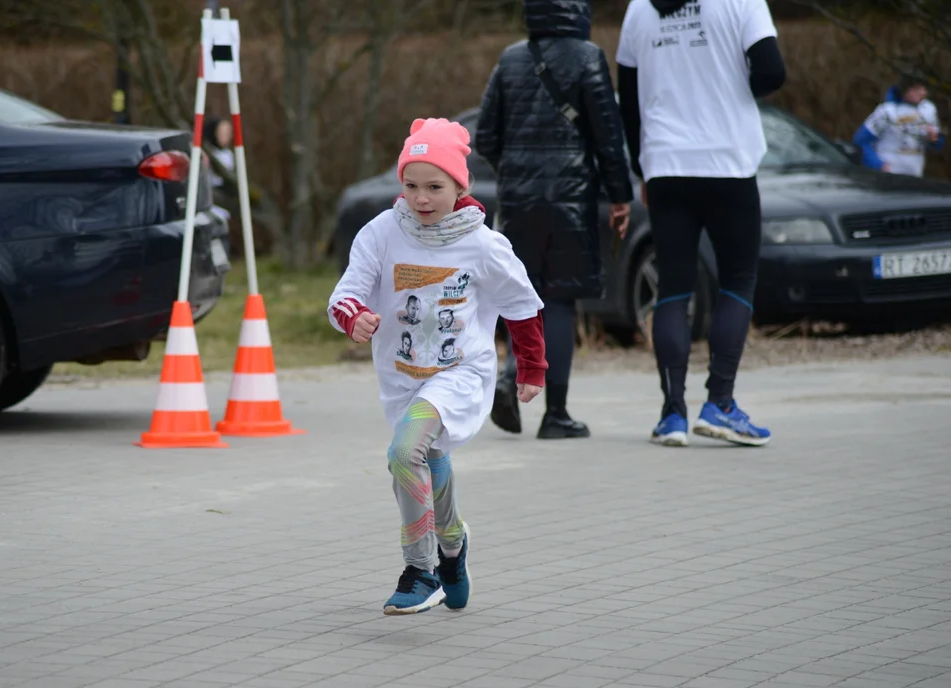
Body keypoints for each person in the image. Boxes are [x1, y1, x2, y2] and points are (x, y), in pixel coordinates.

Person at [328, 118, 548, 615]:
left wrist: (531, 369)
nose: (421, 199)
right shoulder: (382, 232)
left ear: (459, 186)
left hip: (460, 373)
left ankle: (420, 570)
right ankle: (453, 547)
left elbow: (522, 305)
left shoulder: (484, 244)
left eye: (435, 187)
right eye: (411, 186)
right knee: (429, 456)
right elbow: (345, 294)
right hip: (402, 374)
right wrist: (354, 317)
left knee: (405, 452)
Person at [616, 0, 786, 447]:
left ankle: (673, 414)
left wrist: (642, 168)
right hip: (729, 162)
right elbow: (772, 71)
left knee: (673, 288)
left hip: (667, 166)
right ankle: (721, 404)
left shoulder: (638, 9)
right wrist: (726, 88)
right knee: (737, 282)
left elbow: (628, 100)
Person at [476, 0, 633, 441]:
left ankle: (510, 377)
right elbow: (608, 134)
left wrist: (514, 171)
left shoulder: (510, 59)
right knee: (559, 301)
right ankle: (556, 414)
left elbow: (486, 134)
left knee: (518, 294)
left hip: (519, 199)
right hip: (571, 199)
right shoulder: (587, 58)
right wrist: (619, 196)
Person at [853, 74, 946, 178]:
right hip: (886, 175)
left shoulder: (928, 109)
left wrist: (934, 139)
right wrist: (878, 165)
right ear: (905, 90)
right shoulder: (886, 111)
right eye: (917, 89)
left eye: (924, 89)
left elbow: (938, 144)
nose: (923, 93)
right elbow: (861, 140)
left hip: (914, 176)